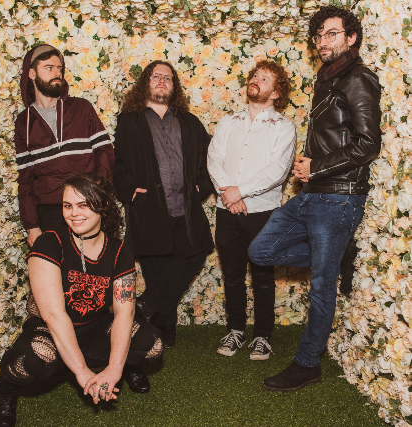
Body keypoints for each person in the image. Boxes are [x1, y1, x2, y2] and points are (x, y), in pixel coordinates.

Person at [248, 5, 381, 390]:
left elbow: (368, 144)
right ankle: (337, 254)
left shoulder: (358, 78)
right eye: (319, 35)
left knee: (322, 285)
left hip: (338, 197)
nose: (323, 41)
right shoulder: (329, 79)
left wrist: (316, 167)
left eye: (332, 34)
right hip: (312, 195)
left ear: (351, 38)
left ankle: (308, 363)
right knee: (260, 251)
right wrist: (311, 172)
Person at [0, 173, 163, 427]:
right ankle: (5, 392)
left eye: (83, 205)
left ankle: (126, 366)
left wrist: (115, 369)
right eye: (67, 205)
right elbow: (53, 316)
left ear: (103, 206)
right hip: (51, 330)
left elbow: (124, 312)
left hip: (95, 327)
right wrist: (82, 372)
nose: (73, 213)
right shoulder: (49, 243)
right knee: (28, 363)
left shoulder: (119, 251)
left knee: (152, 344)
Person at [113, 60, 214, 348]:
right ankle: (163, 332)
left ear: (174, 86)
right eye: (156, 76)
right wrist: (130, 191)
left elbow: (210, 160)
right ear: (146, 82)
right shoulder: (129, 121)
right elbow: (117, 164)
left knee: (196, 252)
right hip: (148, 208)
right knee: (157, 272)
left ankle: (145, 306)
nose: (161, 81)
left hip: (185, 208)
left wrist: (202, 186)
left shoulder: (190, 122)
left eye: (167, 78)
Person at [207, 60, 296, 360]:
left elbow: (278, 171)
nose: (257, 79)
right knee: (232, 275)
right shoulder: (228, 121)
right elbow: (214, 159)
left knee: (262, 277)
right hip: (226, 211)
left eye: (265, 78)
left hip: (263, 213)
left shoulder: (283, 127)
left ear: (276, 93)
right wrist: (229, 194)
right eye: (256, 75)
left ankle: (262, 336)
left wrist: (240, 191)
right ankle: (235, 330)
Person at [15, 45, 114, 247]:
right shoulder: (24, 122)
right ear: (32, 74)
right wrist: (32, 226)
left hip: (87, 206)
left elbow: (104, 152)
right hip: (48, 214)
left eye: (59, 68)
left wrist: (98, 194)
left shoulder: (81, 107)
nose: (57, 73)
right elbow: (25, 179)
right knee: (52, 267)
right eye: (49, 68)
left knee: (94, 266)